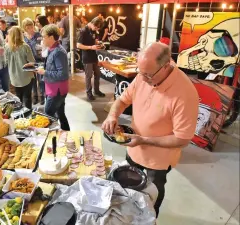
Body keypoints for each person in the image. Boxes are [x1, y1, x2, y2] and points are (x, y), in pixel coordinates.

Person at [102, 42, 199, 217]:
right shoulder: (144, 75)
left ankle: (149, 218)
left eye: (148, 75)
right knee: (128, 185)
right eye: (141, 72)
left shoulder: (185, 93)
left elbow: (182, 138)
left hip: (158, 159)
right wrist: (112, 116)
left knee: (152, 193)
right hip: (134, 147)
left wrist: (144, 140)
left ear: (166, 66)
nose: (143, 79)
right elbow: (122, 100)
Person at [35, 24, 70, 131]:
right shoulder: (52, 49)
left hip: (57, 91)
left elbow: (63, 74)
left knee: (48, 115)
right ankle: (67, 135)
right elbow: (53, 67)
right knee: (60, 114)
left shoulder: (58, 52)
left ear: (51, 37)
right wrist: (41, 68)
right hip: (53, 88)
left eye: (44, 36)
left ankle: (52, 139)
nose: (42, 39)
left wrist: (44, 72)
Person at [5, 26, 35, 109]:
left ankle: (19, 116)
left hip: (14, 77)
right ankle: (28, 115)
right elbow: (32, 62)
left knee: (18, 98)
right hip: (26, 76)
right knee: (27, 97)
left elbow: (5, 62)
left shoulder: (7, 47)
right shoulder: (25, 47)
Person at [77, 17, 106, 101]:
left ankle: (96, 91)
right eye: (96, 27)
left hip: (94, 56)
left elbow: (94, 40)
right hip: (87, 57)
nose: (96, 29)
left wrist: (99, 43)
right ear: (93, 23)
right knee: (88, 76)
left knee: (98, 74)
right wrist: (91, 47)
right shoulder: (83, 31)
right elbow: (78, 45)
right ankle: (89, 93)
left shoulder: (93, 30)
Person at [23, 18, 45, 105]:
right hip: (29, 61)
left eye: (31, 26)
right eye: (28, 27)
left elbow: (41, 47)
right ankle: (35, 97)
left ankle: (42, 97)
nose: (30, 29)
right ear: (25, 28)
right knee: (32, 81)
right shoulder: (24, 37)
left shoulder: (38, 35)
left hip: (39, 61)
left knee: (40, 80)